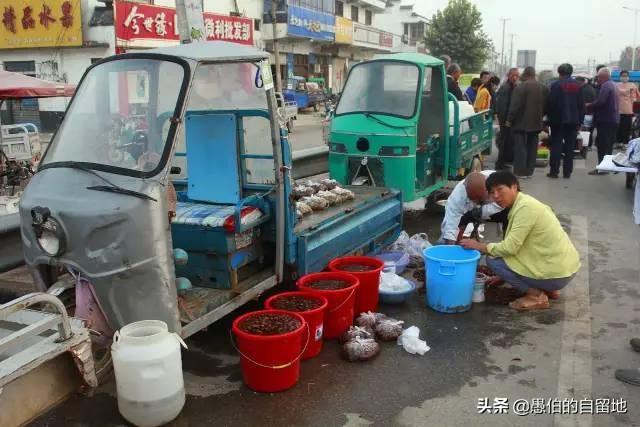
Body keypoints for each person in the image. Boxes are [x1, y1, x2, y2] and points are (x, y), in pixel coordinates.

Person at [460, 171, 580, 311]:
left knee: (493, 259)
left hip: (556, 274)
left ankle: (536, 295)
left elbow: (510, 248)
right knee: (502, 255)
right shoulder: (525, 203)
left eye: (500, 189)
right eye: (492, 193)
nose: (496, 196)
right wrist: (503, 277)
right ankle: (549, 288)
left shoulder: (525, 209)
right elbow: (522, 246)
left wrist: (478, 246)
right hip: (563, 270)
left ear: (514, 187)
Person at [438, 171, 505, 244]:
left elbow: (503, 204)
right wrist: (450, 243)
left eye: (480, 199)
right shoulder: (457, 197)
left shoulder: (499, 184)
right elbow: (451, 221)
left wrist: (481, 212)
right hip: (469, 208)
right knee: (450, 232)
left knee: (508, 218)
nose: (477, 202)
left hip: (499, 208)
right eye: (473, 199)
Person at [506, 66, 548, 178]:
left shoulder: (521, 87)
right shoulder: (543, 88)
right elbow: (547, 106)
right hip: (536, 123)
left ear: (526, 74)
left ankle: (520, 172)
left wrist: (509, 120)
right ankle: (529, 171)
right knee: (532, 148)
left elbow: (514, 106)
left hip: (521, 123)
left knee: (521, 148)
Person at [547, 63, 584, 179]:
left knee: (556, 145)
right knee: (570, 147)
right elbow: (581, 105)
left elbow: (551, 104)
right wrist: (580, 121)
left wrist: (548, 119)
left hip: (557, 121)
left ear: (559, 73)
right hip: (573, 121)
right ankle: (567, 172)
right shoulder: (578, 86)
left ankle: (554, 171)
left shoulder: (555, 86)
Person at [587, 68, 619, 175]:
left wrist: (589, 105)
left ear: (604, 76)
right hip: (612, 119)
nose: (598, 79)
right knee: (608, 144)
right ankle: (607, 167)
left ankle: (602, 168)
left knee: (602, 144)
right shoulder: (613, 85)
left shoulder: (606, 86)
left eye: (599, 77)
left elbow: (601, 102)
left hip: (605, 119)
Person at [494, 68, 520, 169]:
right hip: (505, 119)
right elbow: (503, 105)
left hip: (508, 119)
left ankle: (504, 161)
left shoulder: (512, 86)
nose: (515, 77)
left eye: (517, 75)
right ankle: (500, 164)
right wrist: (507, 120)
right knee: (504, 141)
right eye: (513, 75)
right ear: (509, 75)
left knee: (508, 141)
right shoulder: (506, 87)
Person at [616, 70, 640, 147]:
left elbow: (636, 97)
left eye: (626, 75)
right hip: (618, 110)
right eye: (623, 75)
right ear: (620, 76)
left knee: (627, 128)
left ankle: (625, 143)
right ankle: (619, 142)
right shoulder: (616, 85)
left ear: (628, 77)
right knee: (619, 127)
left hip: (628, 111)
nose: (624, 77)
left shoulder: (632, 85)